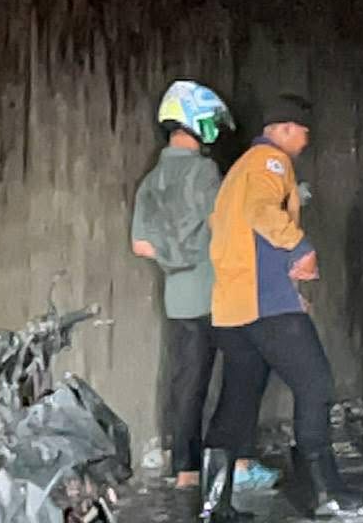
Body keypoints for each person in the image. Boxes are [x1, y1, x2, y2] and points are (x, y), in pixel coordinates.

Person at [200, 93, 363, 520]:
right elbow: (262, 212)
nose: (306, 142)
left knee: (237, 401)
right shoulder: (270, 162)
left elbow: (230, 229)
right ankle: (324, 491)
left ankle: (214, 504)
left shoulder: (239, 170)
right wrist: (300, 248)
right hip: (266, 303)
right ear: (286, 129)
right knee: (315, 385)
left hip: (233, 305)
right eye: (304, 133)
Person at [131, 80, 244, 491]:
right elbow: (223, 225)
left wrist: (173, 255)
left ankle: (185, 469)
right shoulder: (204, 171)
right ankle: (233, 462)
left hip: (176, 296)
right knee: (241, 375)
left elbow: (141, 245)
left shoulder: (151, 180)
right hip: (215, 292)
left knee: (186, 382)